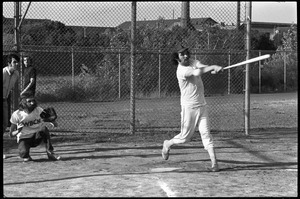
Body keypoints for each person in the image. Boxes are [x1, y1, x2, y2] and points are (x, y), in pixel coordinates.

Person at [161, 45, 223, 172]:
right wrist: (212, 67)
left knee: (206, 134)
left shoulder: (193, 62)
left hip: (202, 105)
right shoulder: (181, 71)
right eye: (182, 54)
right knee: (185, 138)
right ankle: (167, 143)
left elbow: (201, 66)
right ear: (177, 58)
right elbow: (197, 72)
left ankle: (214, 163)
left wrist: (214, 69)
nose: (186, 56)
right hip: (189, 108)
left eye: (186, 53)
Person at [9, 93, 61, 162]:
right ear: (23, 102)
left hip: (37, 136)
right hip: (24, 138)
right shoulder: (17, 114)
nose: (32, 103)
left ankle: (50, 153)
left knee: (44, 129)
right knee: (23, 154)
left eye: (33, 101)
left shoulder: (38, 110)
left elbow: (54, 124)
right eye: (29, 101)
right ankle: (26, 155)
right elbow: (11, 134)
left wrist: (52, 120)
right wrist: (17, 131)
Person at [3, 53, 20, 159]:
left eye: (17, 62)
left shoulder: (16, 74)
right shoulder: (3, 73)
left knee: (5, 124)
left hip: (5, 100)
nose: (17, 64)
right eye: (14, 62)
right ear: (9, 63)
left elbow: (13, 89)